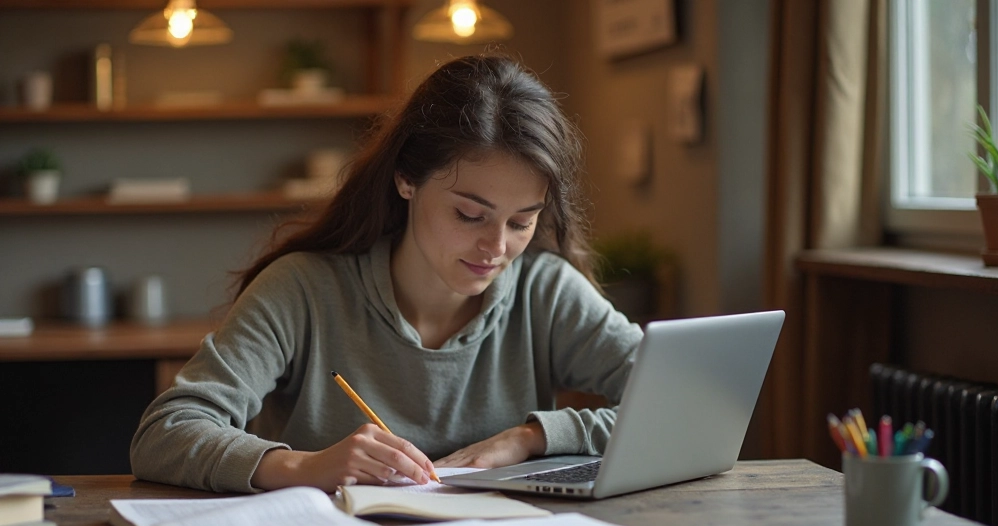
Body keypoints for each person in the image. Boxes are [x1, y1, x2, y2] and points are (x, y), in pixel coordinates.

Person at [130, 53, 644, 494]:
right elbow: (167, 432)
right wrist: (305, 466)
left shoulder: (546, 292)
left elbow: (684, 400)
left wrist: (531, 438)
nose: (496, 247)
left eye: (522, 222)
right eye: (469, 215)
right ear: (406, 179)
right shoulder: (303, 290)